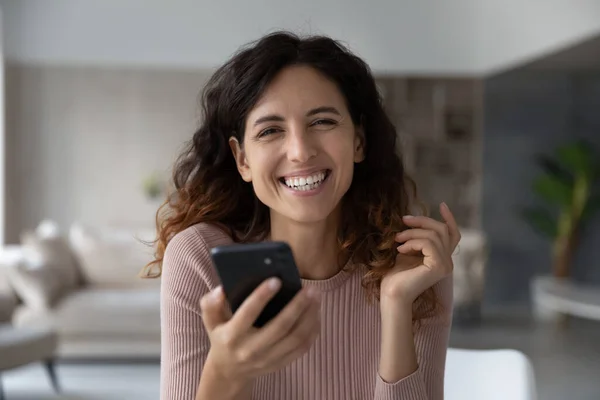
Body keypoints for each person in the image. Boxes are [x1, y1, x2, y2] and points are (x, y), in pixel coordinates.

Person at [144, 31, 460, 400]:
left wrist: (395, 305)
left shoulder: (415, 267)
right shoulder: (200, 259)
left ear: (358, 141)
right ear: (242, 159)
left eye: (322, 122)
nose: (300, 151)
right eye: (271, 130)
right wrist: (226, 371)